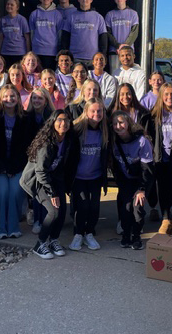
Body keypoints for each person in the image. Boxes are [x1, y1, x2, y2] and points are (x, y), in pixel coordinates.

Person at [21, 110, 74, 259]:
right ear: (52, 122)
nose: (63, 123)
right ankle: (40, 243)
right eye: (60, 120)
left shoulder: (67, 140)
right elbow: (40, 171)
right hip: (37, 180)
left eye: (67, 120)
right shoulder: (46, 143)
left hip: (54, 178)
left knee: (62, 209)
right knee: (53, 211)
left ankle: (54, 240)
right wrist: (52, 193)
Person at [141, 83, 172, 235]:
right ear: (161, 96)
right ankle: (166, 218)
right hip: (160, 159)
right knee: (163, 190)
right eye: (166, 94)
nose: (170, 97)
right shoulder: (153, 115)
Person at [0, 85, 30, 239]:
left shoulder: (25, 118)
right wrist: (2, 167)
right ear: (0, 98)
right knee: (2, 191)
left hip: (17, 165)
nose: (9, 99)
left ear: (18, 98)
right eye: (6, 96)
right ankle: (0, 228)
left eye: (13, 96)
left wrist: (14, 167)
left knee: (16, 192)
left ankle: (13, 226)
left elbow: (26, 147)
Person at [67, 98, 109, 251]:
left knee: (94, 207)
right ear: (86, 112)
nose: (96, 114)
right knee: (82, 206)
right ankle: (78, 234)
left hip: (95, 176)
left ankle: (89, 233)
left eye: (99, 111)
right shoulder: (77, 130)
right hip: (79, 177)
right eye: (93, 111)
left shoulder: (105, 130)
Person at [110, 111, 153, 250]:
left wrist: (142, 189)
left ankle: (136, 236)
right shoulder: (115, 141)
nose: (118, 126)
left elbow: (147, 169)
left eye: (121, 122)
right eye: (115, 123)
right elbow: (115, 166)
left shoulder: (141, 141)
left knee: (137, 208)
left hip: (140, 180)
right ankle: (126, 235)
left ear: (128, 123)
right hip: (125, 180)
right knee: (125, 208)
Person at [25, 87, 55, 233]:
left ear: (46, 101)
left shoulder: (51, 116)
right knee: (36, 191)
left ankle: (46, 219)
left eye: (40, 98)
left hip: (47, 158)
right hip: (31, 158)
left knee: (45, 189)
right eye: (34, 98)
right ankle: (37, 219)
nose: (36, 101)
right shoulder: (26, 116)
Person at [61, 0, 107, 67]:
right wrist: (66, 54)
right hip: (74, 58)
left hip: (93, 58)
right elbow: (65, 38)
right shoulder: (71, 16)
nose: (85, 0)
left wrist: (103, 55)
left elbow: (103, 38)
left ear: (91, 0)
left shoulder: (98, 17)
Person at [105, 0, 139, 72]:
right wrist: (118, 46)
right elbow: (107, 33)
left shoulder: (133, 13)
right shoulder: (110, 14)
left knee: (129, 74)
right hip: (114, 51)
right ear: (114, 0)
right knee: (115, 75)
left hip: (128, 51)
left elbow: (134, 32)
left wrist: (125, 46)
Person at [29, 0, 64, 70]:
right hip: (37, 50)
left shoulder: (57, 14)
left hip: (52, 51)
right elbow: (32, 33)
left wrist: (58, 49)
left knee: (49, 74)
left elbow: (60, 34)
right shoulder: (34, 14)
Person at [0, 0, 30, 68]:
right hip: (5, 52)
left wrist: (28, 53)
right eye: (8, 4)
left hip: (19, 52)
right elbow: (1, 38)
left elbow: (27, 38)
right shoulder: (3, 20)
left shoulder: (22, 20)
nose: (9, 6)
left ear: (17, 7)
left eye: (12, 5)